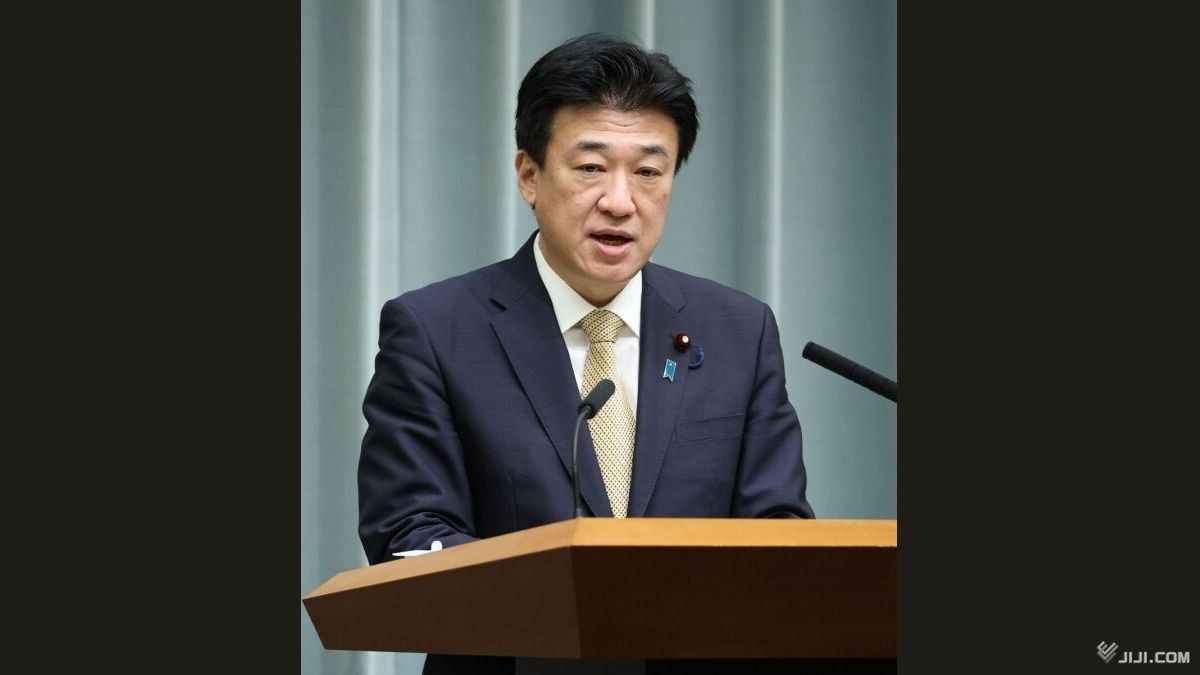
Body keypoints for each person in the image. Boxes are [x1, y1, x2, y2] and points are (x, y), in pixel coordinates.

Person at [358, 33, 815, 675]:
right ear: (530, 176)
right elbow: (409, 531)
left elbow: (778, 527)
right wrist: (558, 601)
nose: (620, 202)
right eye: (592, 167)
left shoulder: (739, 330)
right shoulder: (436, 330)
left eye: (648, 172)